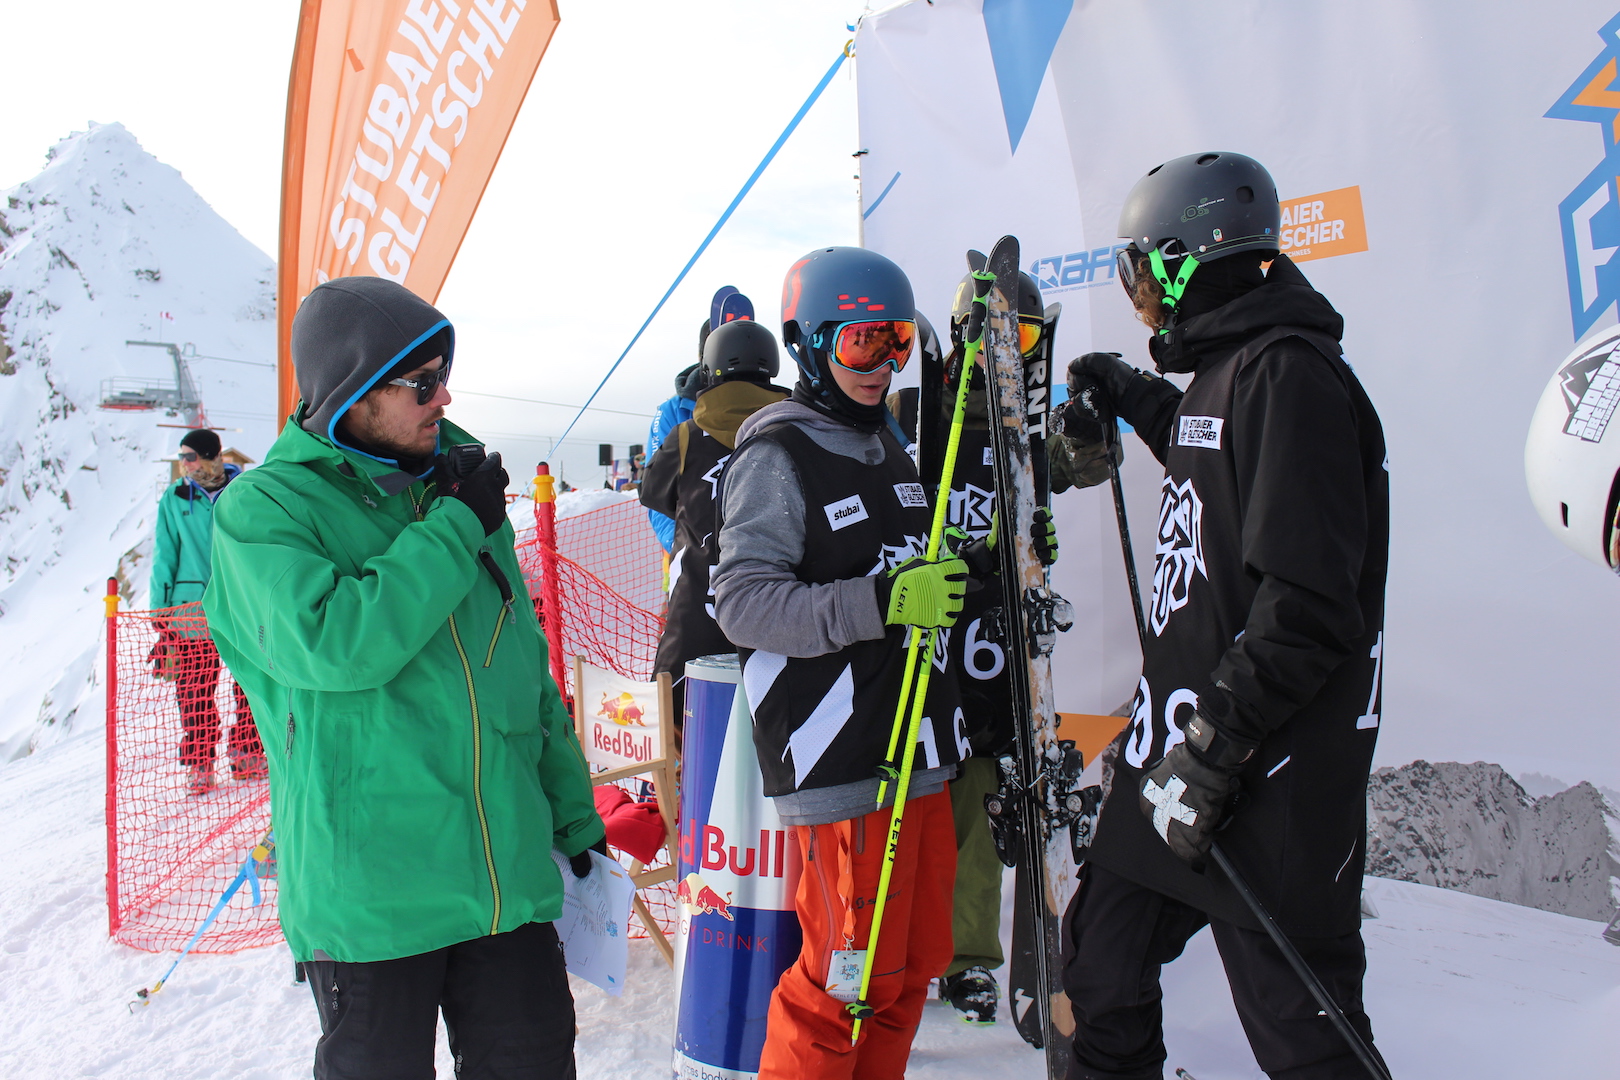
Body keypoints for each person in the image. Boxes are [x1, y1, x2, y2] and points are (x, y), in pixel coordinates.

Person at [202, 277, 606, 1080]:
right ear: (352, 392)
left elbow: (522, 671)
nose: (443, 397)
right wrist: (454, 528)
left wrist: (572, 812)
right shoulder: (265, 511)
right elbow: (336, 644)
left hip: (501, 882)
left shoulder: (454, 484)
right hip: (373, 901)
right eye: (421, 383)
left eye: (443, 376)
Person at [1054, 152, 1390, 1079]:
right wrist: (1129, 393)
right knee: (1100, 973)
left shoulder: (1290, 377)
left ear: (1183, 261)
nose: (1135, 295)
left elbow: (1310, 601)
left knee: (1302, 1031)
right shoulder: (1229, 370)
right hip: (1176, 754)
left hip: (1261, 766)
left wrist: (1215, 747)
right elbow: (1213, 458)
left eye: (1140, 270)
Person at [712, 247, 969, 1078]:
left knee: (909, 974)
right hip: (844, 763)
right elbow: (741, 603)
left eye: (898, 341)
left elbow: (905, 571)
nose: (883, 363)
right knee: (842, 986)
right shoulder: (776, 456)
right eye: (862, 343)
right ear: (807, 343)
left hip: (917, 755)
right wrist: (881, 601)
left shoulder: (886, 444)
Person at [888, 278, 1110, 1024]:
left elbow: (1081, 465)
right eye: (991, 338)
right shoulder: (914, 415)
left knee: (980, 809)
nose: (1004, 354)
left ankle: (968, 959)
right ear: (962, 337)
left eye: (1022, 339)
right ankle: (894, 947)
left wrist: (1088, 435)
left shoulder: (1026, 432)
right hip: (924, 630)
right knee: (914, 806)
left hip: (993, 646)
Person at [639, 317, 789, 729]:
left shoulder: (686, 436)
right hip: (775, 619)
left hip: (695, 620)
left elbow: (652, 493)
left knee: (683, 733)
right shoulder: (793, 431)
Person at [150, 427, 265, 795]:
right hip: (191, 613)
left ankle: (247, 752)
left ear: (211, 456)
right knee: (194, 695)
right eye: (181, 457)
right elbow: (164, 556)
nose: (184, 464)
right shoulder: (175, 498)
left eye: (190, 456)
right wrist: (160, 615)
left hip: (238, 608)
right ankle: (200, 764)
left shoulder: (243, 490)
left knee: (250, 686)